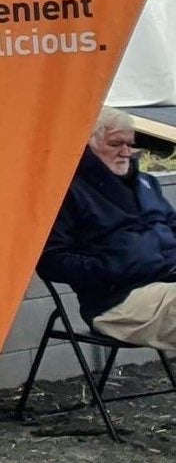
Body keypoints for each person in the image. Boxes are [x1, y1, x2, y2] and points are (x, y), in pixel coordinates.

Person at [40, 106, 176, 351]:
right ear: (88, 144)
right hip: (118, 300)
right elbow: (51, 261)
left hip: (167, 283)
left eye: (130, 144)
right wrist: (109, 267)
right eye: (115, 144)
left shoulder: (146, 183)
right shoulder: (70, 192)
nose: (126, 152)